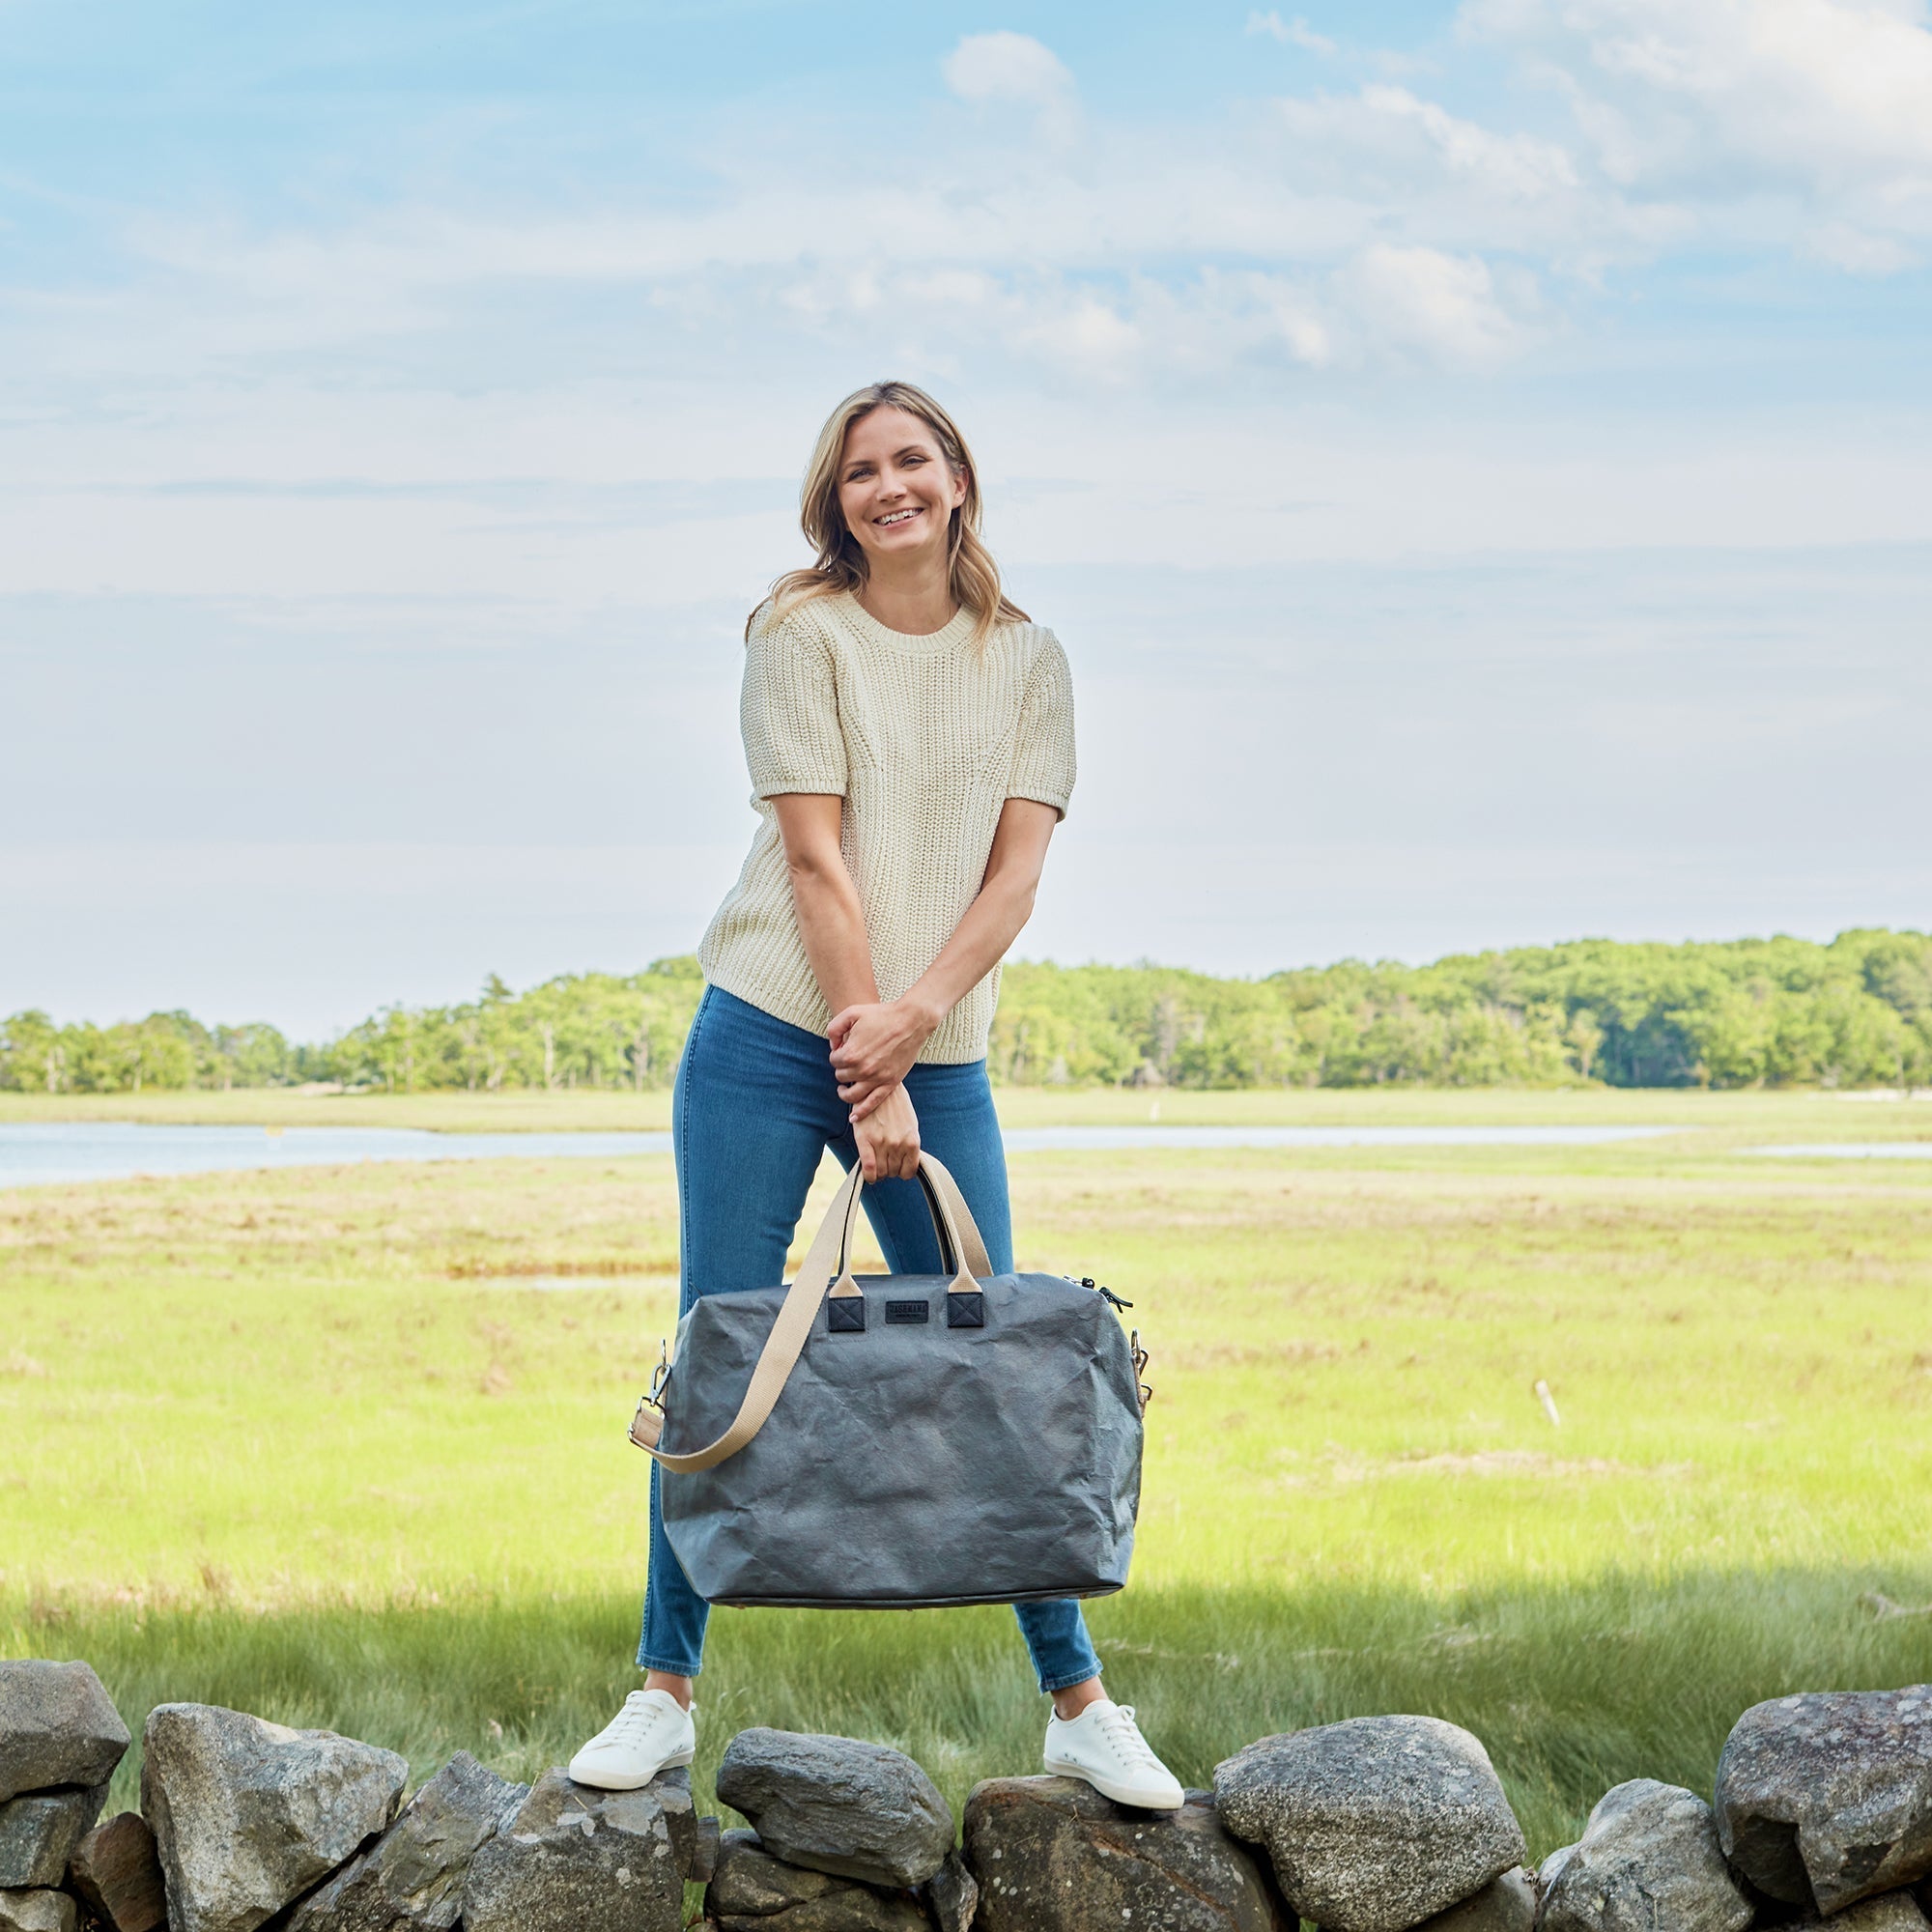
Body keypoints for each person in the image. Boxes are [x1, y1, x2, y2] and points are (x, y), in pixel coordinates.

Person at [567, 381, 1183, 1810]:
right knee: (716, 1357)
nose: (889, 487)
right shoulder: (801, 635)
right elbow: (816, 867)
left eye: (913, 461)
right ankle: (663, 1692)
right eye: (860, 472)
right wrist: (865, 1061)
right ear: (833, 501)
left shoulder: (1030, 659)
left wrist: (910, 1035)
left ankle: (1079, 1702)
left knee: (1000, 1360)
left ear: (959, 478)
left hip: (934, 1048)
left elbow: (1016, 877)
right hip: (772, 1035)